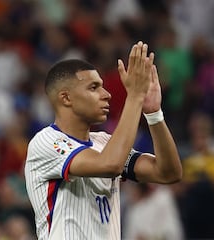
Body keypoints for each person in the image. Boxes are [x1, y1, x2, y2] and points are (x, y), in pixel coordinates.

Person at [24, 41, 182, 240]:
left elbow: (168, 173)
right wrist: (134, 97)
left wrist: (153, 114)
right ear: (66, 98)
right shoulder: (46, 142)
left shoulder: (105, 143)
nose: (106, 95)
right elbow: (110, 165)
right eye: (93, 88)